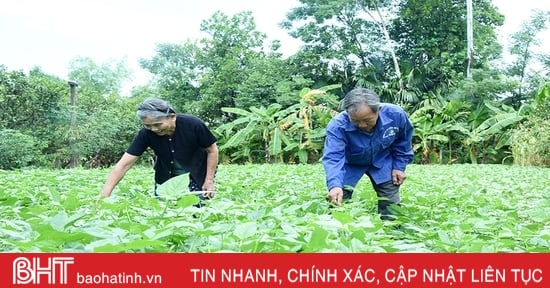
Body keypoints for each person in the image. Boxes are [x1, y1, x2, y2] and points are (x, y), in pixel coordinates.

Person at [99, 98, 218, 205]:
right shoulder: (146, 134)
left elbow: (212, 151)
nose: (154, 129)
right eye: (148, 126)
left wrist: (209, 180)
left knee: (197, 212)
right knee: (165, 215)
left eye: (158, 124)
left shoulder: (193, 124)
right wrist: (104, 194)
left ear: (172, 117)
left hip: (196, 176)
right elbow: (124, 164)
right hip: (165, 178)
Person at [322, 87, 414, 220]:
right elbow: (333, 157)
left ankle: (393, 233)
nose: (362, 125)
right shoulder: (337, 126)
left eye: (367, 120)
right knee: (338, 197)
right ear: (347, 113)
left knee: (391, 203)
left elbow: (403, 141)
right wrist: (334, 185)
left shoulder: (396, 115)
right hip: (350, 163)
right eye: (355, 121)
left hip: (382, 159)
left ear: (379, 110)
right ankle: (335, 230)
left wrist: (399, 167)